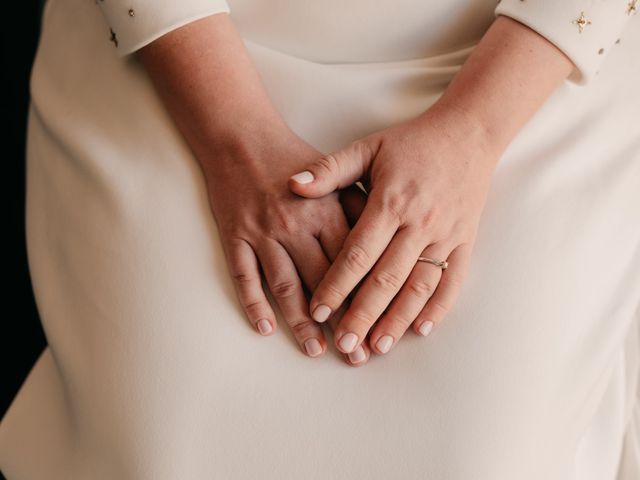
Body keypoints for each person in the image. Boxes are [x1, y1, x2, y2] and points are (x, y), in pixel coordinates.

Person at [0, 0, 638, 478]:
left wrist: (472, 133)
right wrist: (234, 137)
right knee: (159, 446)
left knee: (488, 456)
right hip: (181, 39)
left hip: (533, 48)